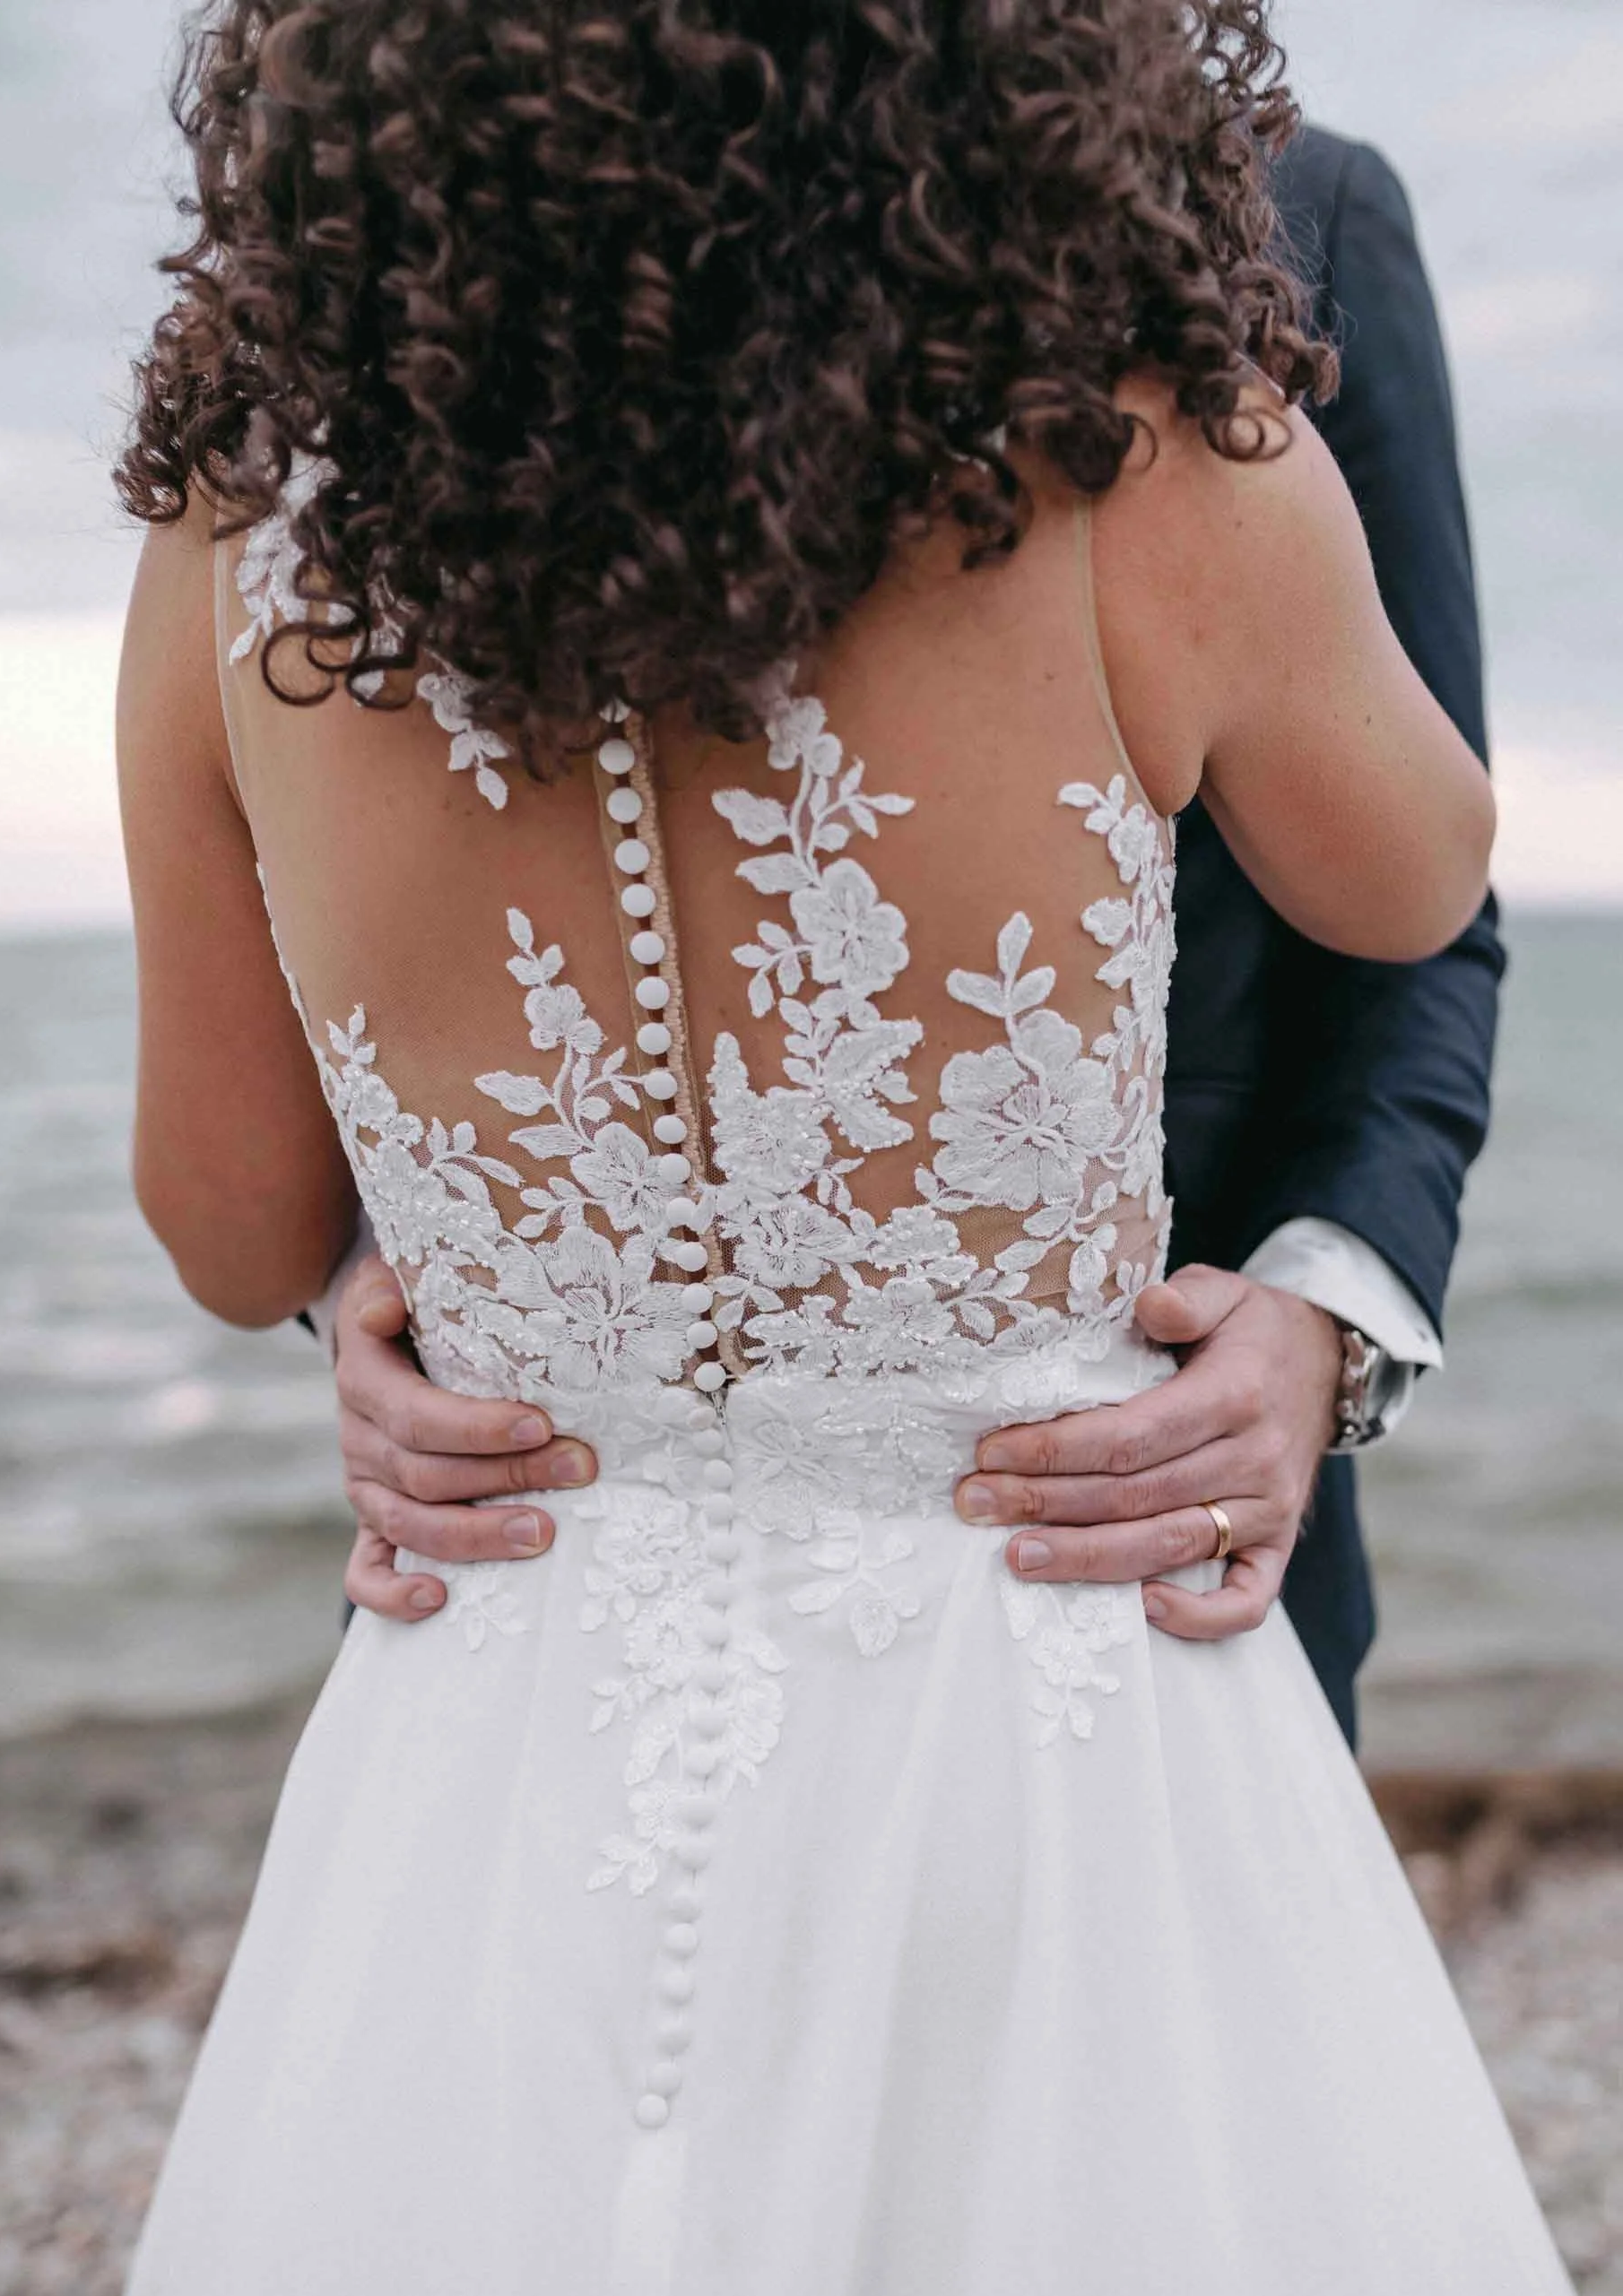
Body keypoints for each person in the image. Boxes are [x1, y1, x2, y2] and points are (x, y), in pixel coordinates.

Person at [76, 4, 1623, 2296]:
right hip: (1041, 1682)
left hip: (523, 1692)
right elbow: (1410, 866)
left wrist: (444, 1237)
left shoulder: (241, 536)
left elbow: (236, 1208)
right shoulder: (1141, 446)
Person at [323, 120, 1503, 1753]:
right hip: (529, 1564)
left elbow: (1423, 913)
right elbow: (344, 901)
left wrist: (1321, 1325)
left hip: (1139, 1538)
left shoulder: (1283, 220)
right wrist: (403, 1280)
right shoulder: (416, 268)